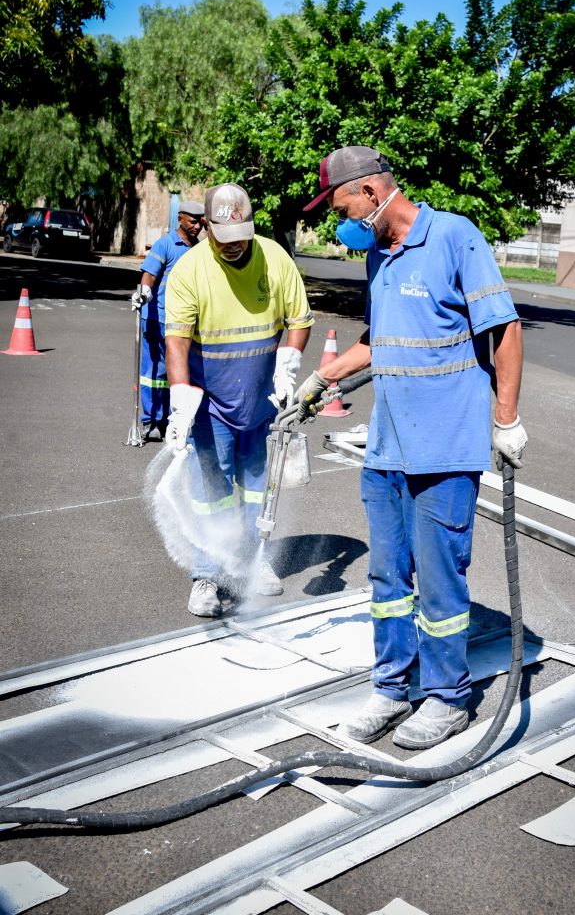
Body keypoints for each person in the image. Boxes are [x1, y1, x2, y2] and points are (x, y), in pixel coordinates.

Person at [295, 146, 527, 750]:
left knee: (441, 579)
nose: (338, 222)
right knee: (387, 575)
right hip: (389, 447)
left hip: (446, 448)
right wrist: (325, 379)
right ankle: (391, 686)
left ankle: (448, 697)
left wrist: (505, 420)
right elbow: (381, 339)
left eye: (341, 206)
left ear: (371, 194)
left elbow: (504, 329)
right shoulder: (377, 255)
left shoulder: (454, 237)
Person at [164, 182, 313, 617]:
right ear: (206, 228)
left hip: (262, 402)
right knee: (212, 492)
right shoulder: (189, 271)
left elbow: (298, 319)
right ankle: (206, 575)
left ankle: (253, 559)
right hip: (210, 406)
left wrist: (288, 364)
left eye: (241, 236)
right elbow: (177, 341)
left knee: (256, 490)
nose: (234, 246)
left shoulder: (275, 259)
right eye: (223, 238)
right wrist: (181, 399)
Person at [130, 201, 204, 440]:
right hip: (158, 318)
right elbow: (149, 274)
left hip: (184, 323)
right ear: (180, 218)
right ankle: (150, 420)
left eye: (200, 221)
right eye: (193, 221)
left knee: (176, 372)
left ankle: (169, 420)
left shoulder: (199, 249)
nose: (197, 226)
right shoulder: (165, 244)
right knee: (153, 372)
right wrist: (144, 291)